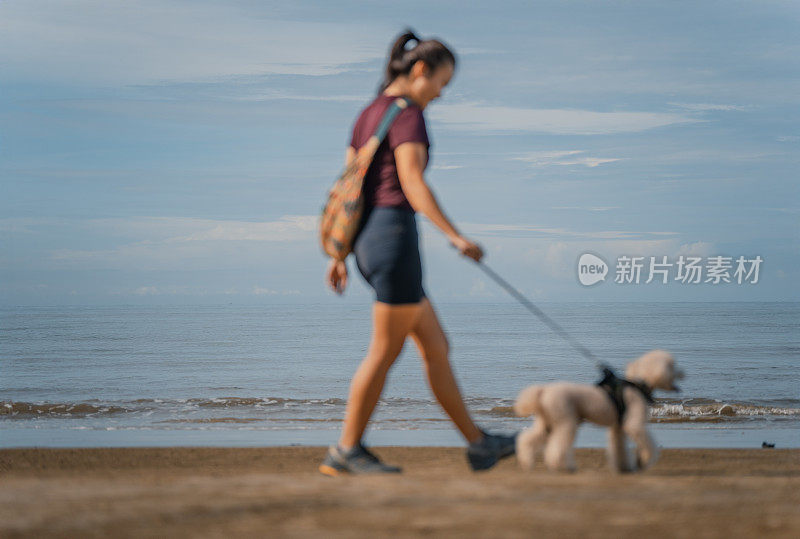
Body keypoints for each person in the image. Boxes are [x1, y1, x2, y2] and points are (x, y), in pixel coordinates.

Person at [319, 29, 516, 476]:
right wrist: (455, 235)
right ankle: (346, 450)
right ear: (420, 70)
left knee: (436, 346)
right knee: (384, 351)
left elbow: (349, 189)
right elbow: (411, 181)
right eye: (441, 85)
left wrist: (338, 254)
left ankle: (480, 444)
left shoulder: (368, 114)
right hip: (393, 239)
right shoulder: (407, 114)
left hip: (368, 243)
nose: (440, 96)